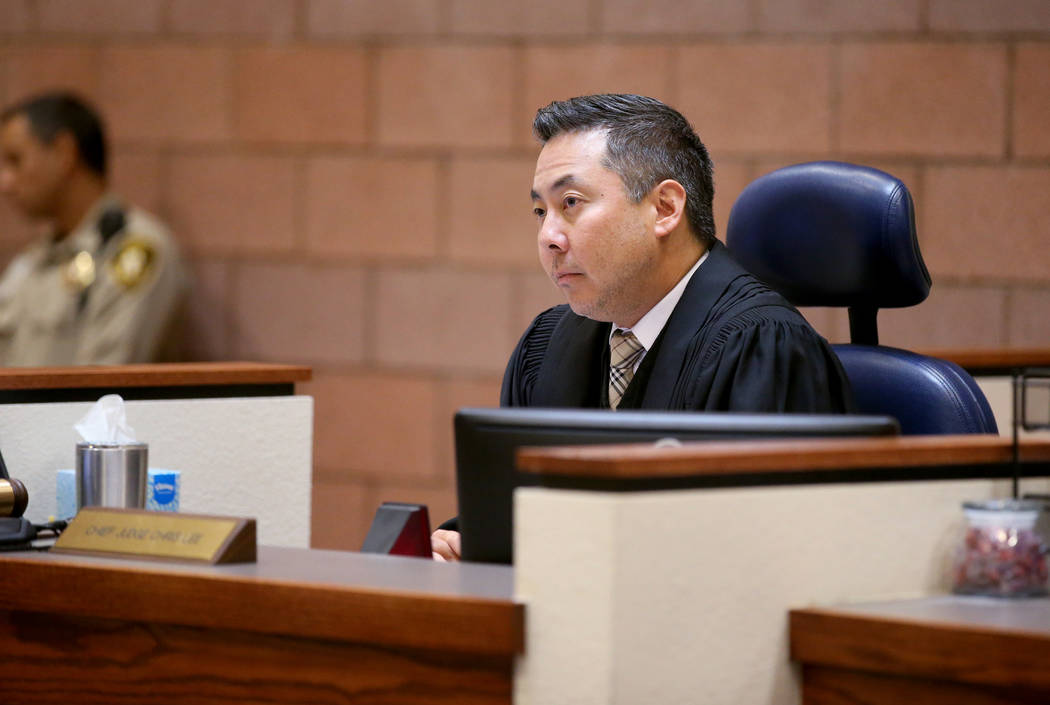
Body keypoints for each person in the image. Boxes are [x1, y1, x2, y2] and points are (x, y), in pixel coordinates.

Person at [431, 94, 854, 561]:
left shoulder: (762, 347)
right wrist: (467, 544)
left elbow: (770, 555)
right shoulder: (547, 343)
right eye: (540, 211)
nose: (548, 237)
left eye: (570, 203)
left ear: (665, 208)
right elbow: (517, 515)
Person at [0, 92, 188, 366]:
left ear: (64, 153)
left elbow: (103, 379)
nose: (5, 182)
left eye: (16, 161)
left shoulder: (132, 249)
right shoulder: (34, 260)